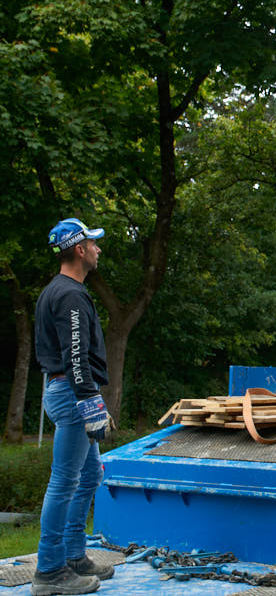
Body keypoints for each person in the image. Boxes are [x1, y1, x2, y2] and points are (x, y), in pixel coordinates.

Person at [31, 218, 113, 595]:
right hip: (72, 394)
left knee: (90, 475)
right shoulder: (70, 295)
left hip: (67, 390)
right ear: (79, 249)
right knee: (64, 481)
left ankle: (74, 555)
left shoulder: (57, 290)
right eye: (93, 243)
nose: (98, 248)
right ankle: (50, 570)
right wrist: (89, 401)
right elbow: (75, 355)